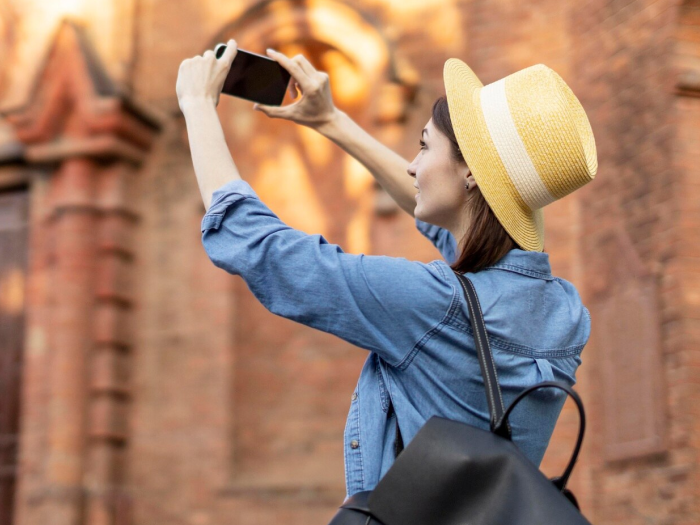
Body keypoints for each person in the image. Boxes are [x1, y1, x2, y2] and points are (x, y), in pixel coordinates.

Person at [176, 40, 595, 501]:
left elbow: (265, 250)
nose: (413, 166)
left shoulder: (433, 304)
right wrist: (331, 121)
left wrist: (197, 106)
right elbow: (455, 230)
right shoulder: (567, 312)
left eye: (423, 146)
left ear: (472, 173)